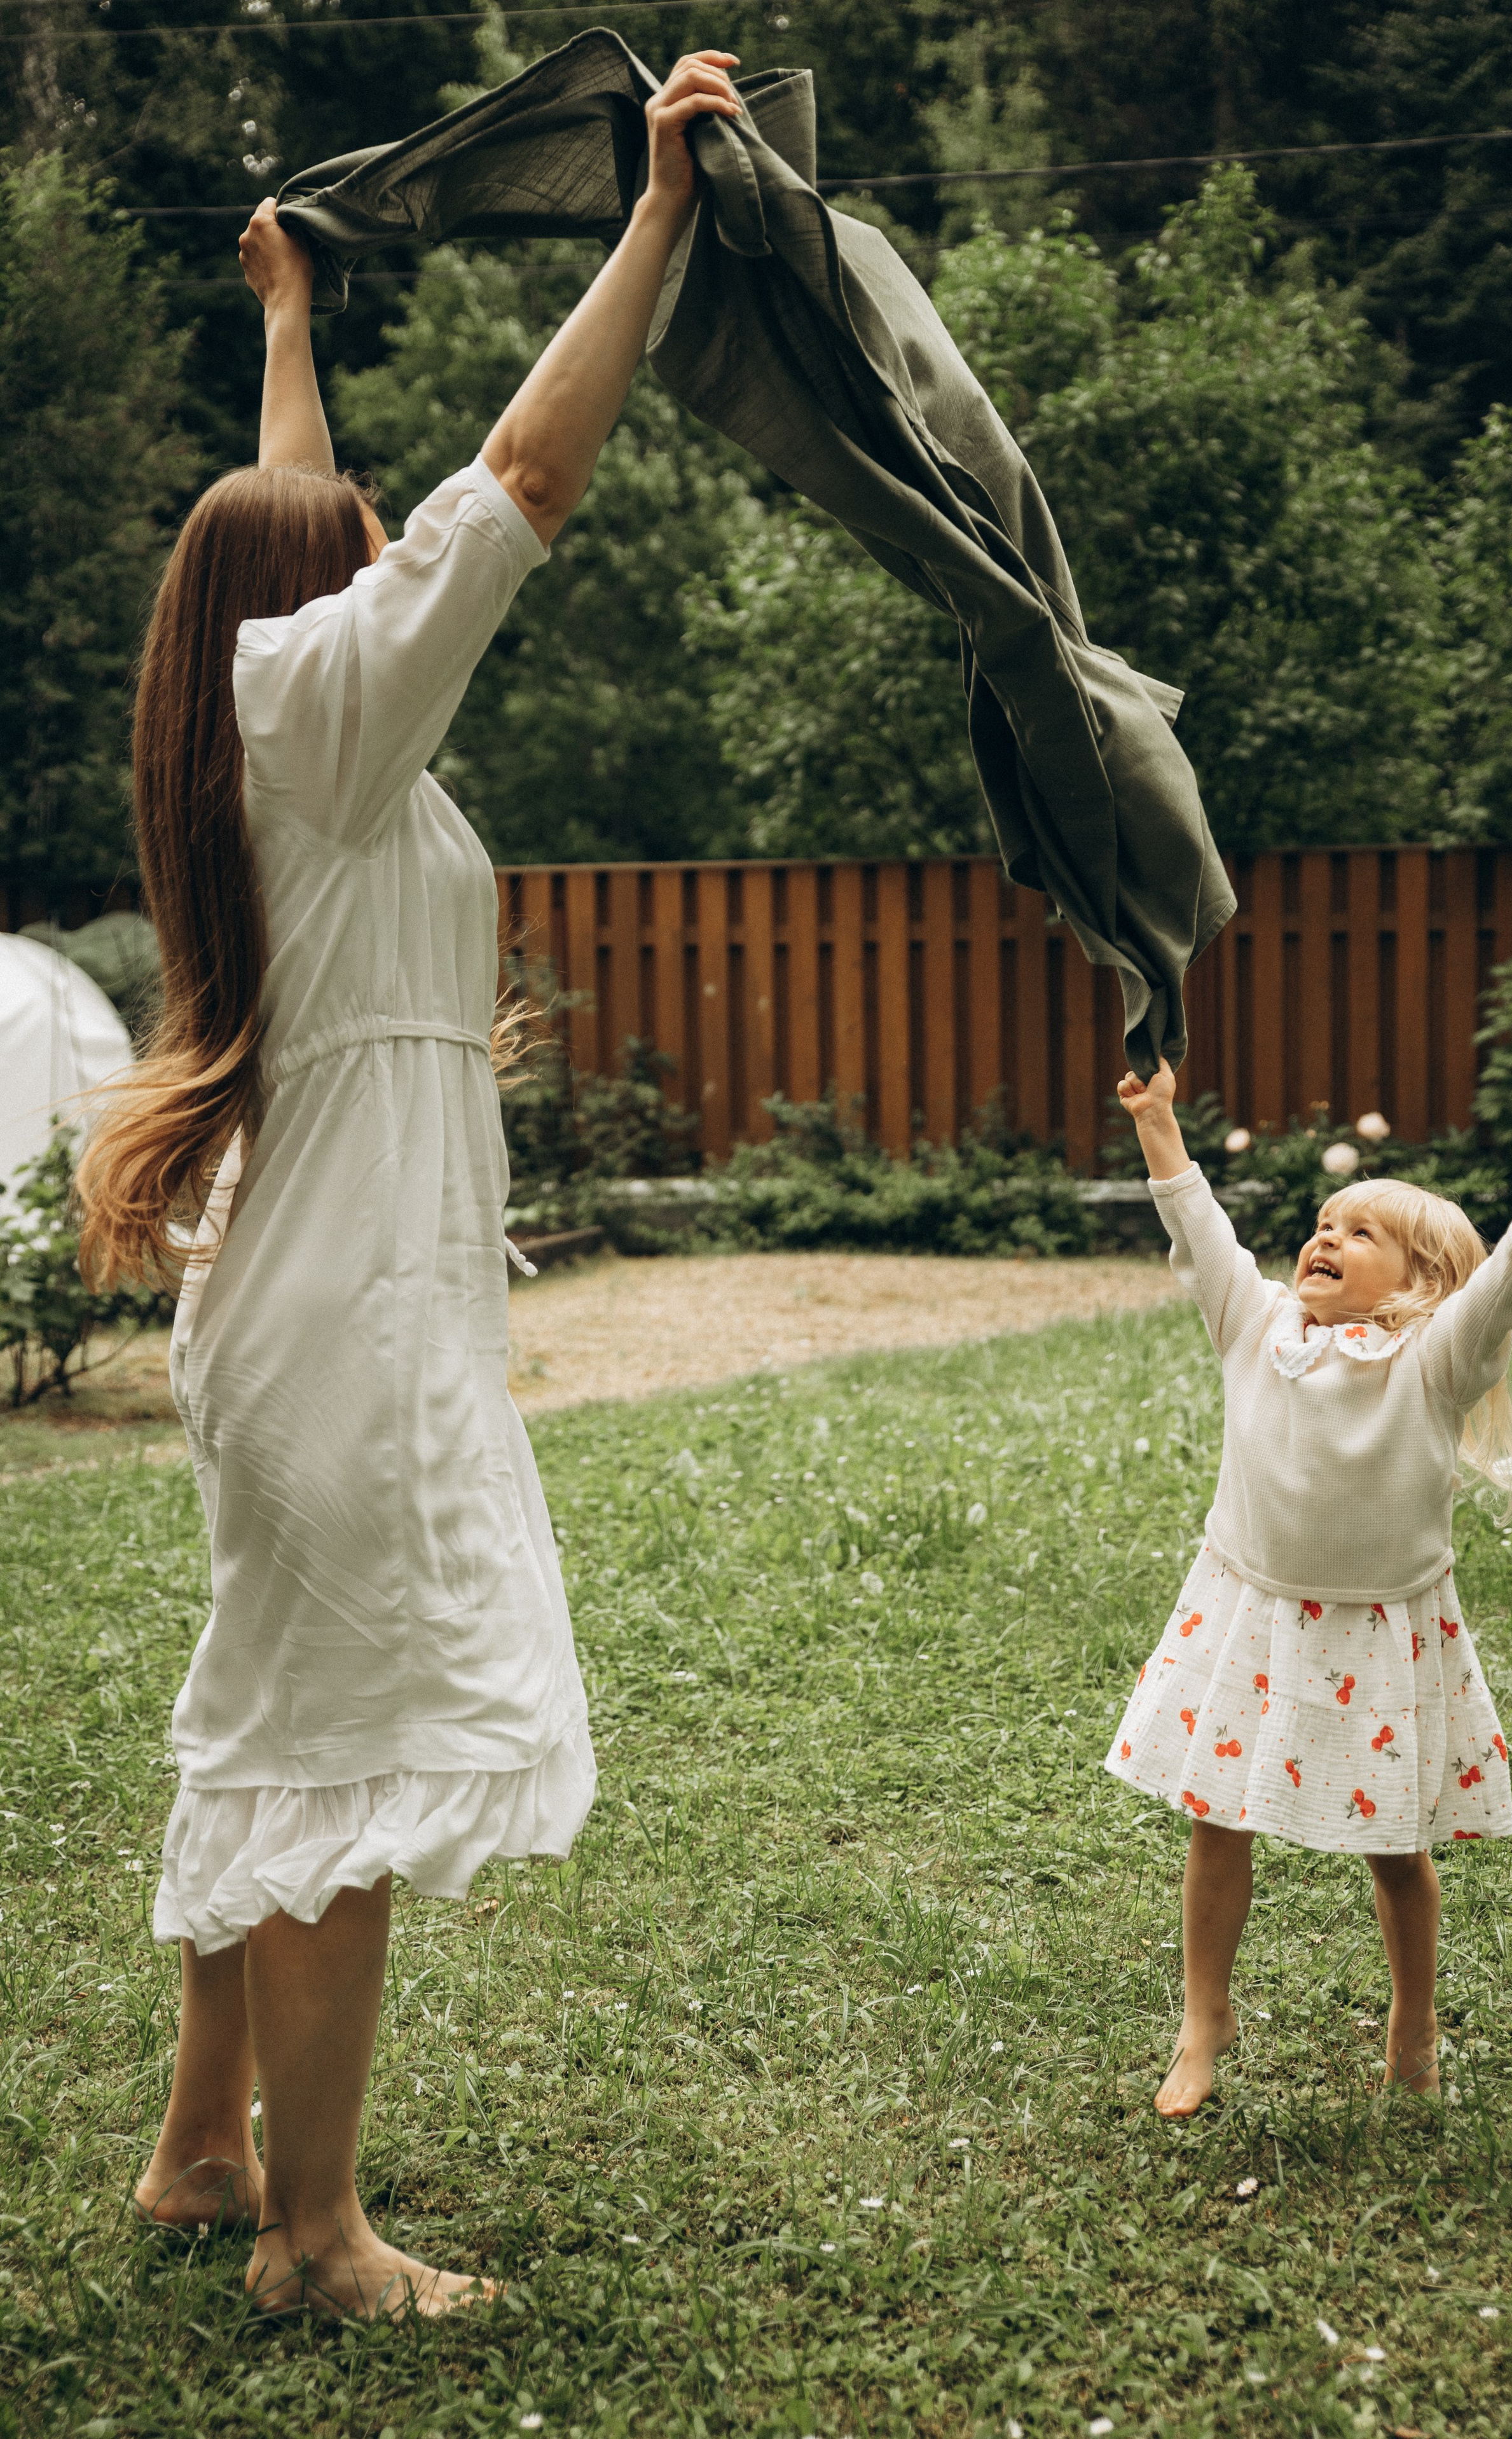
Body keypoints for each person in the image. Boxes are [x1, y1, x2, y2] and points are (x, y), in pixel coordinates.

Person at [75, 51, 746, 2319]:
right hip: (346, 1319)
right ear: (315, 598)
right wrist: (651, 214)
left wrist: (287, 317)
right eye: (354, 535)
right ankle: (316, 2232)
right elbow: (526, 470)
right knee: (343, 1751)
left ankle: (198, 2148)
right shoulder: (328, 701)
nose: (380, 536)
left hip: (294, 1308)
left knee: (276, 1712)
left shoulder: (254, 703)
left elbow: (282, 511)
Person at [1104, 1063, 1512, 2117]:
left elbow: (1511, 1281)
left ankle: (1413, 2019)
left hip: (1382, 1627)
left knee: (1394, 1848)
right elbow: (1200, 1234)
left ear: (1422, 1283)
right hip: (1253, 1606)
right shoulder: (1259, 1330)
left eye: (1360, 1234)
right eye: (1324, 1223)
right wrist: (1158, 1121)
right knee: (1216, 1821)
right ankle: (1206, 2017)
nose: (1326, 1238)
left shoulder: (1434, 1360)